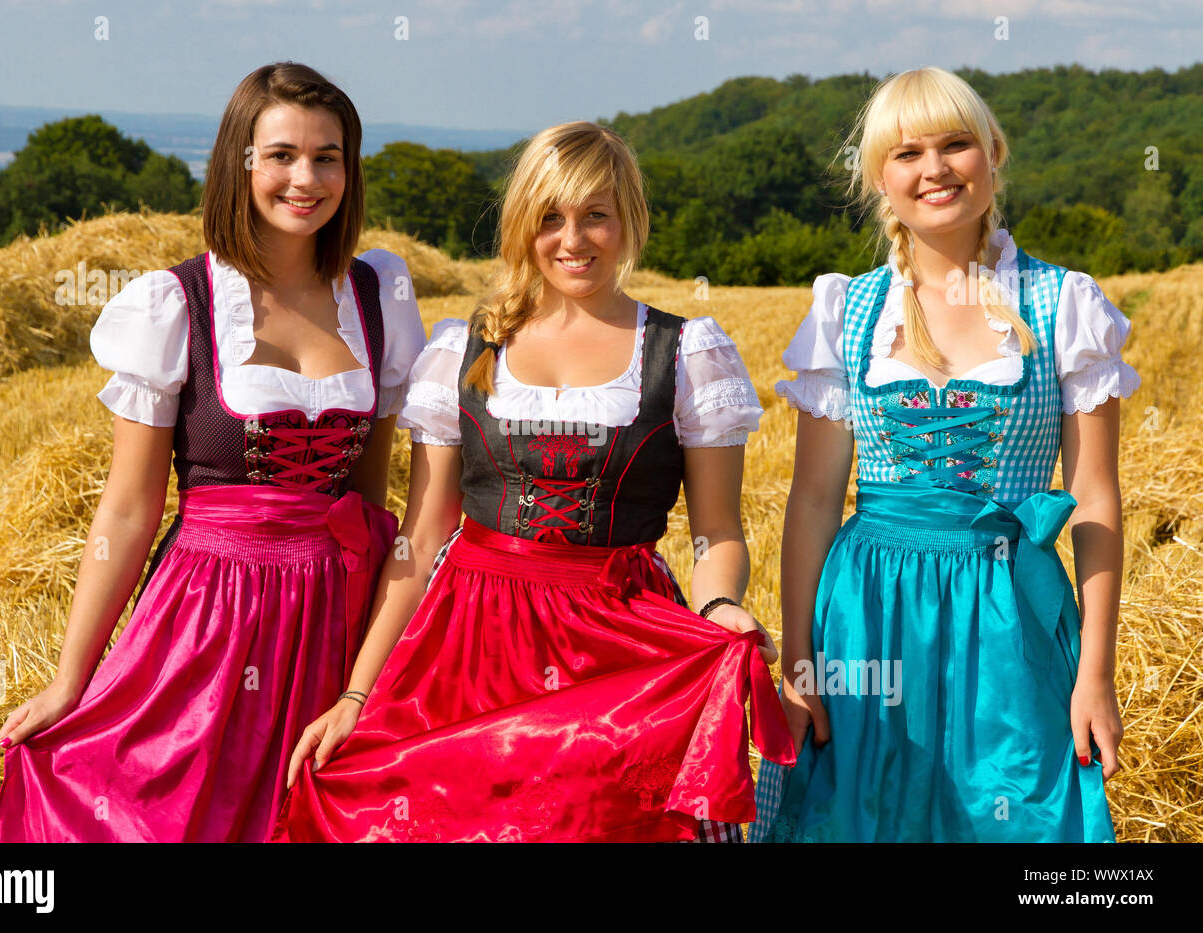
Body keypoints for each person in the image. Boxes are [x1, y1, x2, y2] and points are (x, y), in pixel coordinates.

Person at [270, 121, 794, 843]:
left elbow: (719, 532)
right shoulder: (464, 347)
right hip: (471, 643)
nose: (572, 239)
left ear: (629, 219)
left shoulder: (686, 351)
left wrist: (722, 605)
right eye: (549, 217)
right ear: (522, 224)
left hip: (619, 644)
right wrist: (360, 691)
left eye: (594, 215)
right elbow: (420, 541)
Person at [0, 62, 424, 842]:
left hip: (337, 611)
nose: (306, 177)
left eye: (329, 157)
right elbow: (127, 509)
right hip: (212, 613)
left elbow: (371, 491)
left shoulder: (378, 295)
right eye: (282, 154)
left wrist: (368, 672)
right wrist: (69, 679)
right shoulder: (176, 303)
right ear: (240, 162)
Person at [751, 66, 1137, 843]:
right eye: (907, 153)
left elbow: (1094, 499)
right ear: (880, 181)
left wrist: (1097, 668)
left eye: (956, 144)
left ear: (993, 153)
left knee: (1018, 811)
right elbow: (815, 501)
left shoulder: (1063, 304)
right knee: (860, 816)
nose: (934, 169)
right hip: (866, 616)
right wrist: (798, 665)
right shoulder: (847, 310)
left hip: (1009, 616)